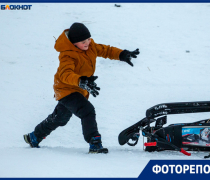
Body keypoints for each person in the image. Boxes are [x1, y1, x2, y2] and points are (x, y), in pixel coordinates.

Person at [23, 22, 140, 154]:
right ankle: (94, 142)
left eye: (88, 39)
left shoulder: (91, 46)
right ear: (73, 43)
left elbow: (106, 50)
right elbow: (65, 74)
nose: (87, 43)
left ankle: (34, 136)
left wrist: (122, 54)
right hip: (66, 89)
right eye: (82, 41)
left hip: (79, 88)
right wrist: (80, 81)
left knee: (60, 119)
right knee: (87, 110)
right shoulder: (67, 55)